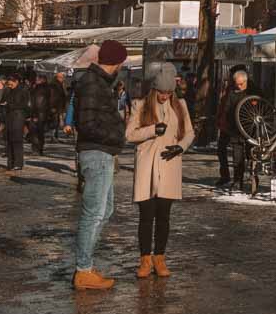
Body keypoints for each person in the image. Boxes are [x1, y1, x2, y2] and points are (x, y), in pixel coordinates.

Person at [124, 63, 196, 280]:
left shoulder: (180, 105)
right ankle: (145, 259)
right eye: (162, 92)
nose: (165, 96)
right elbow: (129, 135)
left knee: (164, 216)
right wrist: (152, 130)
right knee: (147, 216)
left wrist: (180, 147)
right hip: (147, 165)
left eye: (169, 92)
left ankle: (160, 257)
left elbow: (190, 133)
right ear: (155, 89)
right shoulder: (141, 105)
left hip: (169, 165)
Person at [72, 39, 129, 291]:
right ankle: (83, 270)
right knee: (94, 212)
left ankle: (86, 265)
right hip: (97, 154)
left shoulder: (98, 83)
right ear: (117, 62)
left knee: (104, 211)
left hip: (102, 153)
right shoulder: (93, 84)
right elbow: (87, 124)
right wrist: (116, 136)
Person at [216, 66, 251, 190]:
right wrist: (221, 120)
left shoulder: (251, 90)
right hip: (231, 126)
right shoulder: (231, 90)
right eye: (237, 83)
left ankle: (242, 179)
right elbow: (225, 107)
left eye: (241, 84)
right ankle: (231, 178)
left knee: (244, 155)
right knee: (231, 153)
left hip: (247, 127)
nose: (238, 86)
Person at [0, 72, 28, 171]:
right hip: (10, 117)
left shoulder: (23, 90)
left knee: (17, 141)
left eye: (11, 82)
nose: (9, 84)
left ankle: (18, 163)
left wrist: (8, 105)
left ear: (16, 82)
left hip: (18, 117)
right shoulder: (9, 90)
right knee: (9, 140)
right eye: (9, 82)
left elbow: (24, 105)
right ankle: (11, 162)